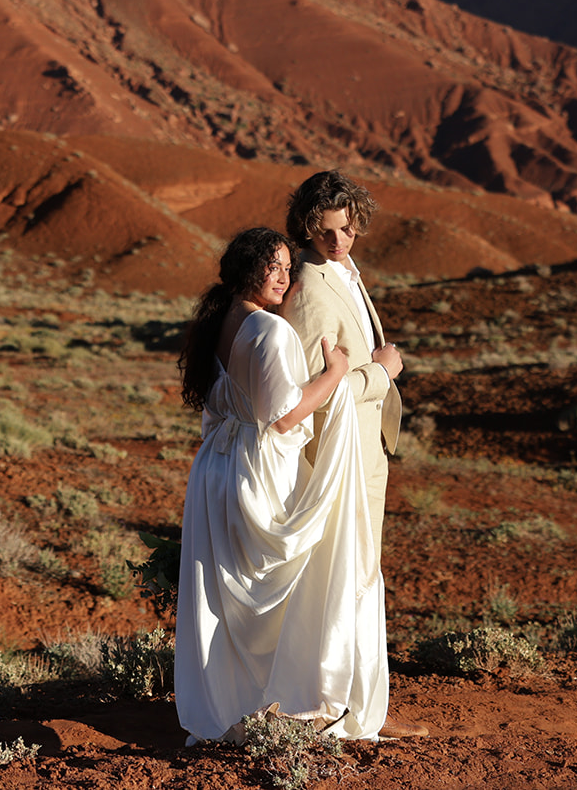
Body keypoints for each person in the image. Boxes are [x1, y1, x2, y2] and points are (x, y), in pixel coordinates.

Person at [174, 227, 388, 744]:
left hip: (217, 470)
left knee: (234, 595)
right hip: (258, 470)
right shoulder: (269, 332)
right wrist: (338, 372)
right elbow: (285, 418)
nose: (284, 277)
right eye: (273, 267)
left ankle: (239, 704)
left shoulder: (221, 322)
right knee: (294, 576)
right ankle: (297, 702)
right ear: (248, 269)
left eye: (288, 267)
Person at [281, 170, 427, 739]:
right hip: (342, 454)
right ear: (307, 230)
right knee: (345, 573)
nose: (337, 241)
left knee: (364, 572)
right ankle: (336, 708)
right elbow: (315, 389)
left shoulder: (343, 269)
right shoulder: (312, 286)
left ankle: (363, 706)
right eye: (324, 233)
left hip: (370, 447)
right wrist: (380, 373)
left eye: (346, 228)